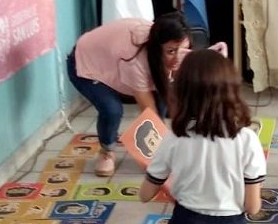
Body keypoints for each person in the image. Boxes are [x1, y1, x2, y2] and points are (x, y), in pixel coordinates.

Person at [139, 50, 266, 224]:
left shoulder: (174, 136)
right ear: (232, 90)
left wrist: (171, 184)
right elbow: (253, 207)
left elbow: (145, 194)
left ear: (182, 92)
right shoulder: (246, 139)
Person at [66, 12, 192, 176]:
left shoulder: (171, 50)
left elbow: (173, 99)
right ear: (157, 48)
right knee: (112, 109)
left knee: (163, 96)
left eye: (183, 50)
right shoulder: (135, 59)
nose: (178, 57)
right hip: (85, 64)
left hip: (114, 60)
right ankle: (107, 151)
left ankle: (157, 150)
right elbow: (149, 112)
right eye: (171, 51)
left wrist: (184, 141)